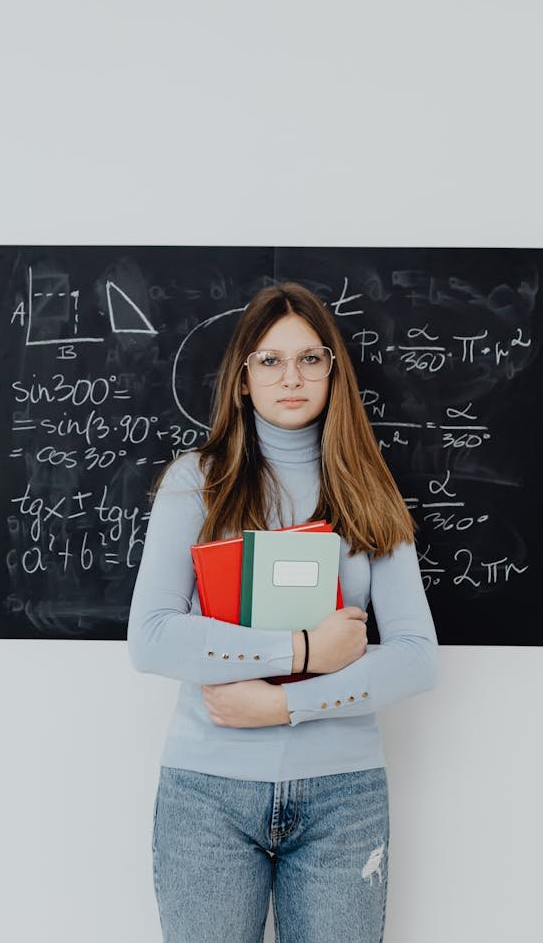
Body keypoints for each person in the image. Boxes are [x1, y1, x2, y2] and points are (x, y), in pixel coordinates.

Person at [127, 281, 438, 943]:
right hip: (207, 794)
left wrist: (284, 705)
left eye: (310, 359)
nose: (290, 377)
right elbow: (152, 639)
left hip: (343, 797)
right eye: (269, 360)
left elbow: (416, 657)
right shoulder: (195, 482)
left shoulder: (370, 491)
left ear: (333, 372)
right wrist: (300, 651)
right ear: (242, 380)